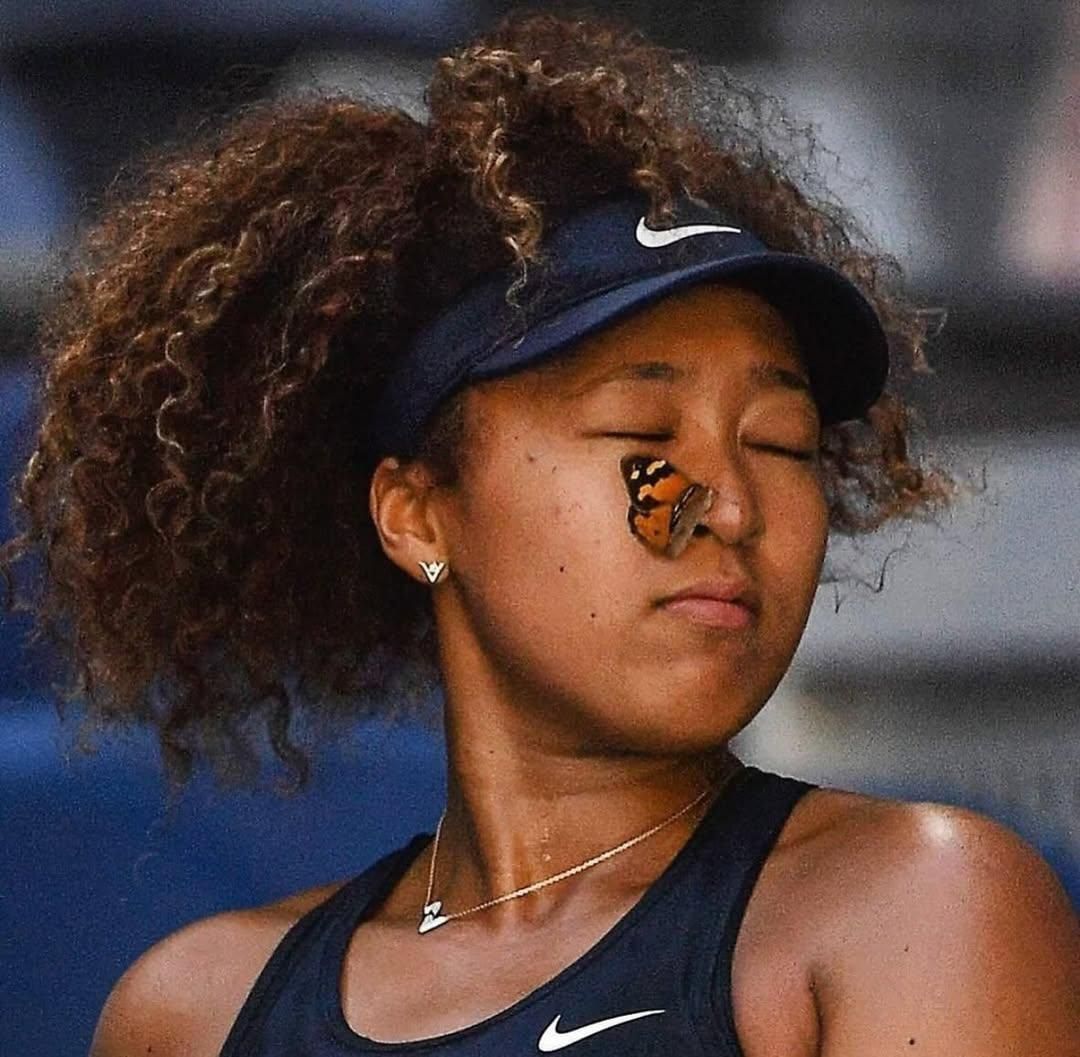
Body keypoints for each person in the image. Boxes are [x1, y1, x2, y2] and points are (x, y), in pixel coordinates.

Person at [1, 8, 1076, 1057]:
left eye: (784, 444)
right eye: (641, 433)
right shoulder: (195, 1010)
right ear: (418, 512)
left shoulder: (920, 902)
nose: (734, 507)